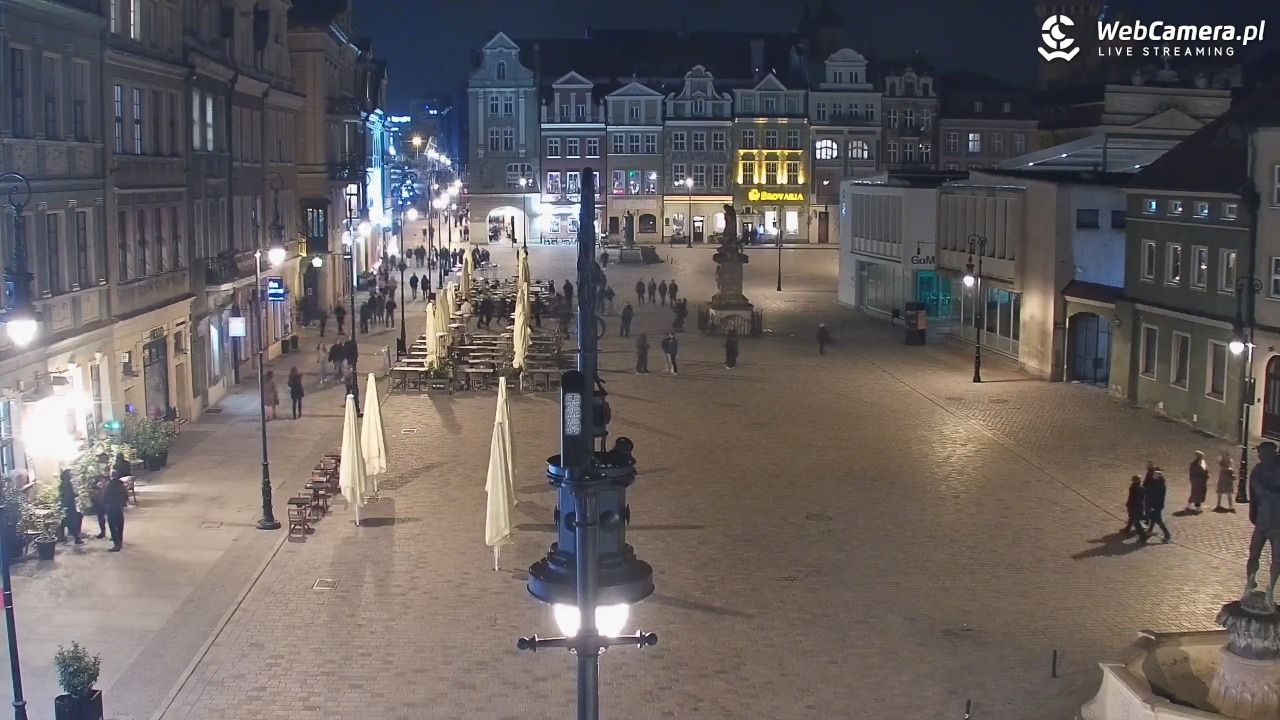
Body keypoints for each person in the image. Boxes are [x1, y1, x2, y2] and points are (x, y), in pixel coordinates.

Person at [1142, 462, 1171, 543]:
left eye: (1155, 476)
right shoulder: (1156, 484)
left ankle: (1167, 534)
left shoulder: (1160, 486)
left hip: (1155, 505)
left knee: (1158, 520)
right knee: (1153, 518)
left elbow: (1156, 495)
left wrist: (1154, 506)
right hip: (1152, 504)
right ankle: (1149, 531)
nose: (1153, 477)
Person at [103, 473, 128, 551]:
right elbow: (126, 495)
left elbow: (104, 496)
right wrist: (123, 503)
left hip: (111, 507)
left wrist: (105, 505)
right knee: (120, 525)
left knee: (113, 526)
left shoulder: (108, 485)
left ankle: (116, 544)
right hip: (119, 507)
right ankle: (120, 541)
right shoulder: (121, 485)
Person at [58, 469, 83, 545]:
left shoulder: (63, 484)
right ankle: (76, 538)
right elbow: (68, 495)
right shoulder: (67, 484)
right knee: (75, 520)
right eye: (70, 474)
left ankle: (62, 536)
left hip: (65, 505)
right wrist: (75, 495)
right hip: (69, 505)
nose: (71, 475)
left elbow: (63, 495)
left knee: (65, 521)